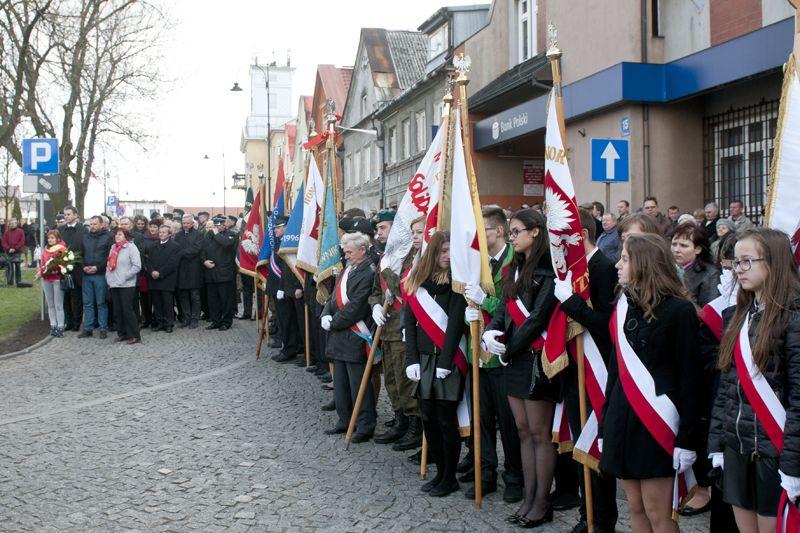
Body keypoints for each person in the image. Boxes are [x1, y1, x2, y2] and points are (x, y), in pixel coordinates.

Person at [600, 233, 701, 533]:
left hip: (657, 421)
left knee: (659, 511)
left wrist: (687, 438)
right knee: (635, 507)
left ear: (645, 264)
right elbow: (615, 371)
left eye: (625, 259)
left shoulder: (678, 311)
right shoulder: (623, 307)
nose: (618, 265)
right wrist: (606, 423)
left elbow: (690, 379)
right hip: (623, 417)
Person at [708, 228, 800, 533]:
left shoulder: (793, 318)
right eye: (736, 262)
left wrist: (793, 466)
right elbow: (726, 387)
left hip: (774, 452)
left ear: (772, 263)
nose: (738, 269)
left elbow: (798, 398)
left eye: (747, 262)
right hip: (738, 447)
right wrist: (718, 443)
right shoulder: (737, 315)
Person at [483, 209, 559, 527]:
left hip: (535, 359)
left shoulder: (548, 270)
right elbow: (504, 305)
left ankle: (542, 502)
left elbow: (537, 318)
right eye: (511, 233)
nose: (512, 237)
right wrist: (492, 332)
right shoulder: (515, 268)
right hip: (513, 358)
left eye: (516, 232)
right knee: (523, 432)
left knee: (541, 434)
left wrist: (509, 348)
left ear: (536, 232)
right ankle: (529, 497)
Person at [552, 209, 619, 533]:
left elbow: (606, 325)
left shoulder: (603, 268)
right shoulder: (569, 272)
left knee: (596, 446)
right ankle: (585, 514)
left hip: (598, 373)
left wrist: (572, 304)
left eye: (562, 236)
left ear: (581, 234)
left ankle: (602, 520)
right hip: (573, 371)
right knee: (580, 445)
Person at [458, 207, 523, 503]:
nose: (478, 237)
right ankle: (486, 473)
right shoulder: (477, 262)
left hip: (503, 354)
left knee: (508, 423)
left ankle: (514, 476)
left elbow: (515, 308)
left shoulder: (515, 261)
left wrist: (489, 301)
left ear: (498, 231)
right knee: (481, 419)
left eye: (483, 229)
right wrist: (470, 312)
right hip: (477, 354)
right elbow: (469, 304)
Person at [404, 230, 468, 497]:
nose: (447, 256)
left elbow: (454, 325)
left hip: (447, 360)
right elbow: (409, 322)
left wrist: (445, 361)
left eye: (451, 251)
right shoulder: (418, 280)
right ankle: (440, 472)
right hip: (423, 359)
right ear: (433, 253)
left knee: (445, 420)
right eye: (443, 251)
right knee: (428, 419)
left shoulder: (457, 282)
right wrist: (411, 358)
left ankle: (449, 476)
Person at [371, 210, 422, 450]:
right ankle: (400, 418)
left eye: (382, 228)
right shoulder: (387, 256)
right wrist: (374, 307)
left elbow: (404, 289)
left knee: (404, 379)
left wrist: (388, 269)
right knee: (391, 378)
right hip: (387, 326)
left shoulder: (410, 257)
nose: (378, 233)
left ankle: (414, 425)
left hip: (404, 327)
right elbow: (375, 292)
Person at [321, 231, 377, 443]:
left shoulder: (369, 272)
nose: (345, 256)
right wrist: (326, 314)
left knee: (358, 384)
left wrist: (333, 322)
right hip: (339, 336)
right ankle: (344, 420)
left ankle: (364, 424)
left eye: (349, 252)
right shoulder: (348, 269)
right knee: (341, 383)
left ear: (363, 250)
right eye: (345, 252)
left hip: (355, 335)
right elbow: (333, 297)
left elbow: (357, 307)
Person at [272, 215, 305, 363]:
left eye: (278, 227)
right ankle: (291, 347)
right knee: (285, 320)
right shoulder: (279, 242)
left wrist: (297, 286)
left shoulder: (292, 242)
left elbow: (297, 267)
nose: (275, 230)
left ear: (287, 227)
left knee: (291, 321)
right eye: (275, 228)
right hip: (283, 286)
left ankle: (292, 349)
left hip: (291, 286)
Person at [106, 228, 142, 344]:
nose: (117, 236)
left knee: (127, 310)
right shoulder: (113, 247)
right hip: (114, 283)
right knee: (118, 310)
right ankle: (122, 333)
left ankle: (134, 335)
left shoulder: (131, 247)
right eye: (116, 234)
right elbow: (109, 263)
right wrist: (108, 276)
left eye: (120, 234)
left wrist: (125, 276)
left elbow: (137, 266)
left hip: (127, 284)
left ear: (126, 236)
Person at [671, 222, 720, 307]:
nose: (676, 250)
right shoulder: (667, 268)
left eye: (683, 245)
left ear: (698, 249)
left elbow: (709, 313)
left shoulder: (710, 274)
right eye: (674, 244)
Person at [79, 216, 112, 339]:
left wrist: (98, 268)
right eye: (91, 224)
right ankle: (88, 328)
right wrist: (83, 266)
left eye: (95, 224)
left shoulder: (108, 238)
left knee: (101, 302)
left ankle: (103, 328)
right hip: (86, 274)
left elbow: (109, 257)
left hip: (100, 275)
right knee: (87, 303)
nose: (92, 226)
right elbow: (80, 254)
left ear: (101, 224)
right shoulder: (85, 237)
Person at [202, 216, 238, 331]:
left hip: (224, 273)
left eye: (221, 225)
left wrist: (217, 234)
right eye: (216, 225)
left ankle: (226, 321)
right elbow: (202, 250)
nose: (219, 227)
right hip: (211, 272)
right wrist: (204, 261)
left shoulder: (231, 234)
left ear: (225, 225)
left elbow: (227, 244)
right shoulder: (208, 235)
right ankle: (215, 321)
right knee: (213, 300)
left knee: (225, 299)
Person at [146, 225, 180, 333]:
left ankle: (169, 323)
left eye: (164, 232)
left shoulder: (175, 246)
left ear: (169, 234)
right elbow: (148, 261)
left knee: (167, 303)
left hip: (167, 278)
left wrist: (160, 273)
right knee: (157, 302)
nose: (161, 234)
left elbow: (173, 263)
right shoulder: (152, 246)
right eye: (160, 232)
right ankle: (160, 322)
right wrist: (152, 271)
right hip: (154, 278)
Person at [35, 230, 68, 337]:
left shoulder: (62, 249)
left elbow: (65, 263)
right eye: (49, 238)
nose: (50, 240)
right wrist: (40, 272)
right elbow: (43, 264)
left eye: (52, 238)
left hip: (57, 279)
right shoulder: (45, 250)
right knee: (50, 304)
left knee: (58, 305)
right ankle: (53, 325)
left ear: (58, 239)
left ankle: (61, 327)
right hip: (46, 279)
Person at [174, 214, 203, 329]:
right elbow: (175, 249)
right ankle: (186, 318)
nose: (185, 225)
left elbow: (196, 249)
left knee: (195, 295)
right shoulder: (178, 235)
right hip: (181, 269)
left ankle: (195, 319)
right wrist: (180, 253)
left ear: (192, 223)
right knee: (183, 295)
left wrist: (182, 253)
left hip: (194, 269)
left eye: (188, 223)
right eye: (184, 223)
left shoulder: (198, 234)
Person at [60, 206, 85, 330]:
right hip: (63, 268)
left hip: (78, 268)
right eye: (65, 215)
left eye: (69, 214)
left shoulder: (83, 230)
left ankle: (77, 322)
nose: (66, 217)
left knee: (77, 297)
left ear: (75, 215)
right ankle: (68, 322)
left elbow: (85, 248)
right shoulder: (61, 229)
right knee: (65, 296)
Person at [1, 217, 25, 287]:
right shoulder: (6, 232)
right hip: (8, 252)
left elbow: (22, 241)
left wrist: (15, 248)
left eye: (13, 223)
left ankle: (18, 282)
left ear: (16, 223)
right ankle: (10, 282)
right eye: (10, 223)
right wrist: (8, 248)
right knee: (9, 266)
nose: (11, 225)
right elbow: (4, 242)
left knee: (17, 266)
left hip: (17, 251)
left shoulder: (21, 231)